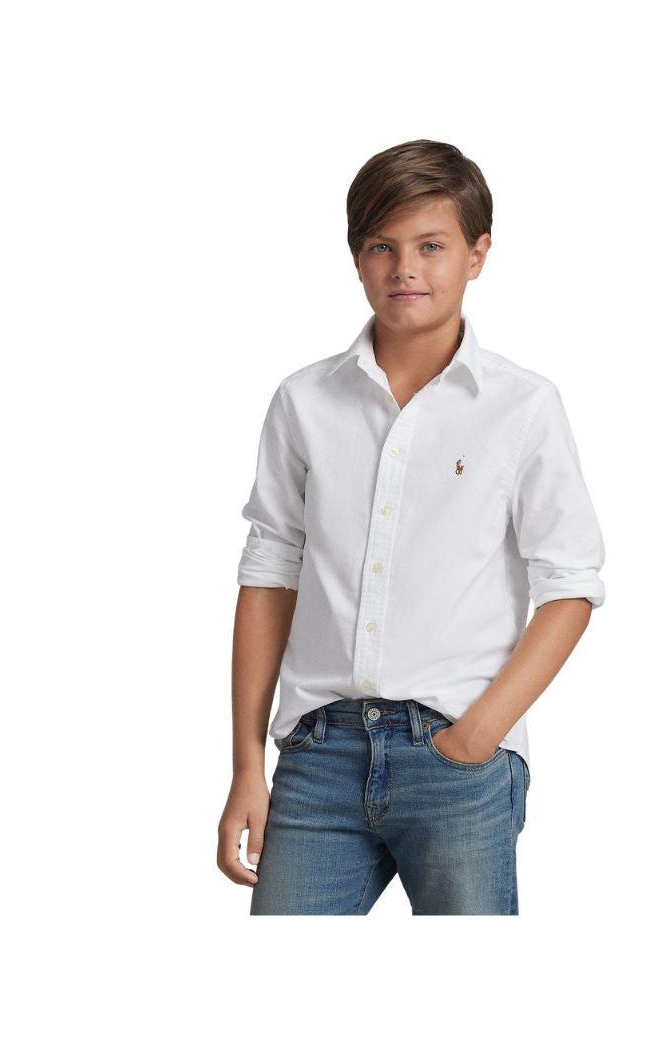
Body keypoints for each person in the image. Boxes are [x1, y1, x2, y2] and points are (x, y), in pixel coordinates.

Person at [217, 139, 606, 914]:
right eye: (381, 247)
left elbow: (570, 584)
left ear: (478, 254)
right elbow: (269, 574)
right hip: (319, 754)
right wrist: (247, 767)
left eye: (431, 246)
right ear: (356, 258)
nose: (405, 269)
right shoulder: (304, 401)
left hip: (457, 752)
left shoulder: (523, 407)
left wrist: (480, 734)